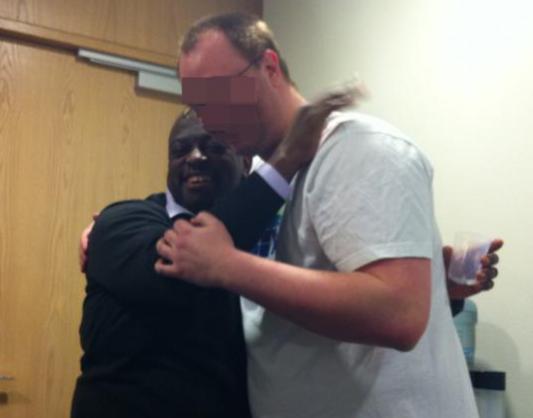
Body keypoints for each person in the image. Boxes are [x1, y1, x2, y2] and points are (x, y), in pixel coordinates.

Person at [155, 12, 502, 418]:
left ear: (269, 68)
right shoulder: (259, 178)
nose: (211, 120)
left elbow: (398, 313)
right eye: (199, 105)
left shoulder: (357, 148)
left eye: (220, 94)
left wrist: (229, 266)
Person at [71, 104, 348, 418]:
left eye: (214, 147)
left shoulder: (272, 237)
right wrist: (285, 160)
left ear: (246, 163)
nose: (195, 157)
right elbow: (183, 267)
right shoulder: (121, 222)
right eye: (180, 150)